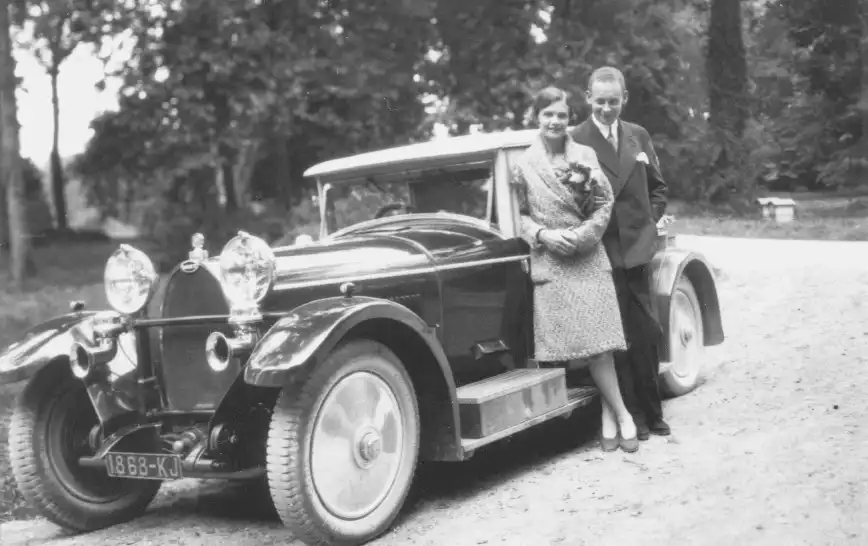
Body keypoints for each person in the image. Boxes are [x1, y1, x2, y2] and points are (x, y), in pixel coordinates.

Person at [511, 86, 638, 453]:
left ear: (569, 119)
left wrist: (583, 235)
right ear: (537, 117)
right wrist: (544, 235)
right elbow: (519, 215)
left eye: (562, 115)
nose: (555, 121)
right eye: (548, 114)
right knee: (583, 349)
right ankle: (612, 412)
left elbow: (603, 202)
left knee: (601, 345)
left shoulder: (584, 154)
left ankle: (620, 415)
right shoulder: (523, 164)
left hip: (586, 257)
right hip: (552, 261)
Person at [568, 66, 670, 441]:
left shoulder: (638, 136)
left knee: (646, 333)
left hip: (638, 252)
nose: (607, 108)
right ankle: (635, 418)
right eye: (600, 101)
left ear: (624, 99)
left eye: (614, 101)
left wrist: (649, 223)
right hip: (602, 255)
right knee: (619, 339)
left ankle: (655, 413)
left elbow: (658, 188)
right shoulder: (575, 139)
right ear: (588, 98)